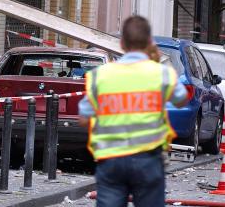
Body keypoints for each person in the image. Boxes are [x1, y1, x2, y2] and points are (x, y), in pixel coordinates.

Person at [78, 16, 191, 207]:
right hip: (148, 158)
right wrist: (160, 61)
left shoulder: (101, 75)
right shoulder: (160, 73)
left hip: (111, 158)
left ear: (122, 43)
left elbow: (84, 118)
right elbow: (181, 100)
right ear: (149, 43)